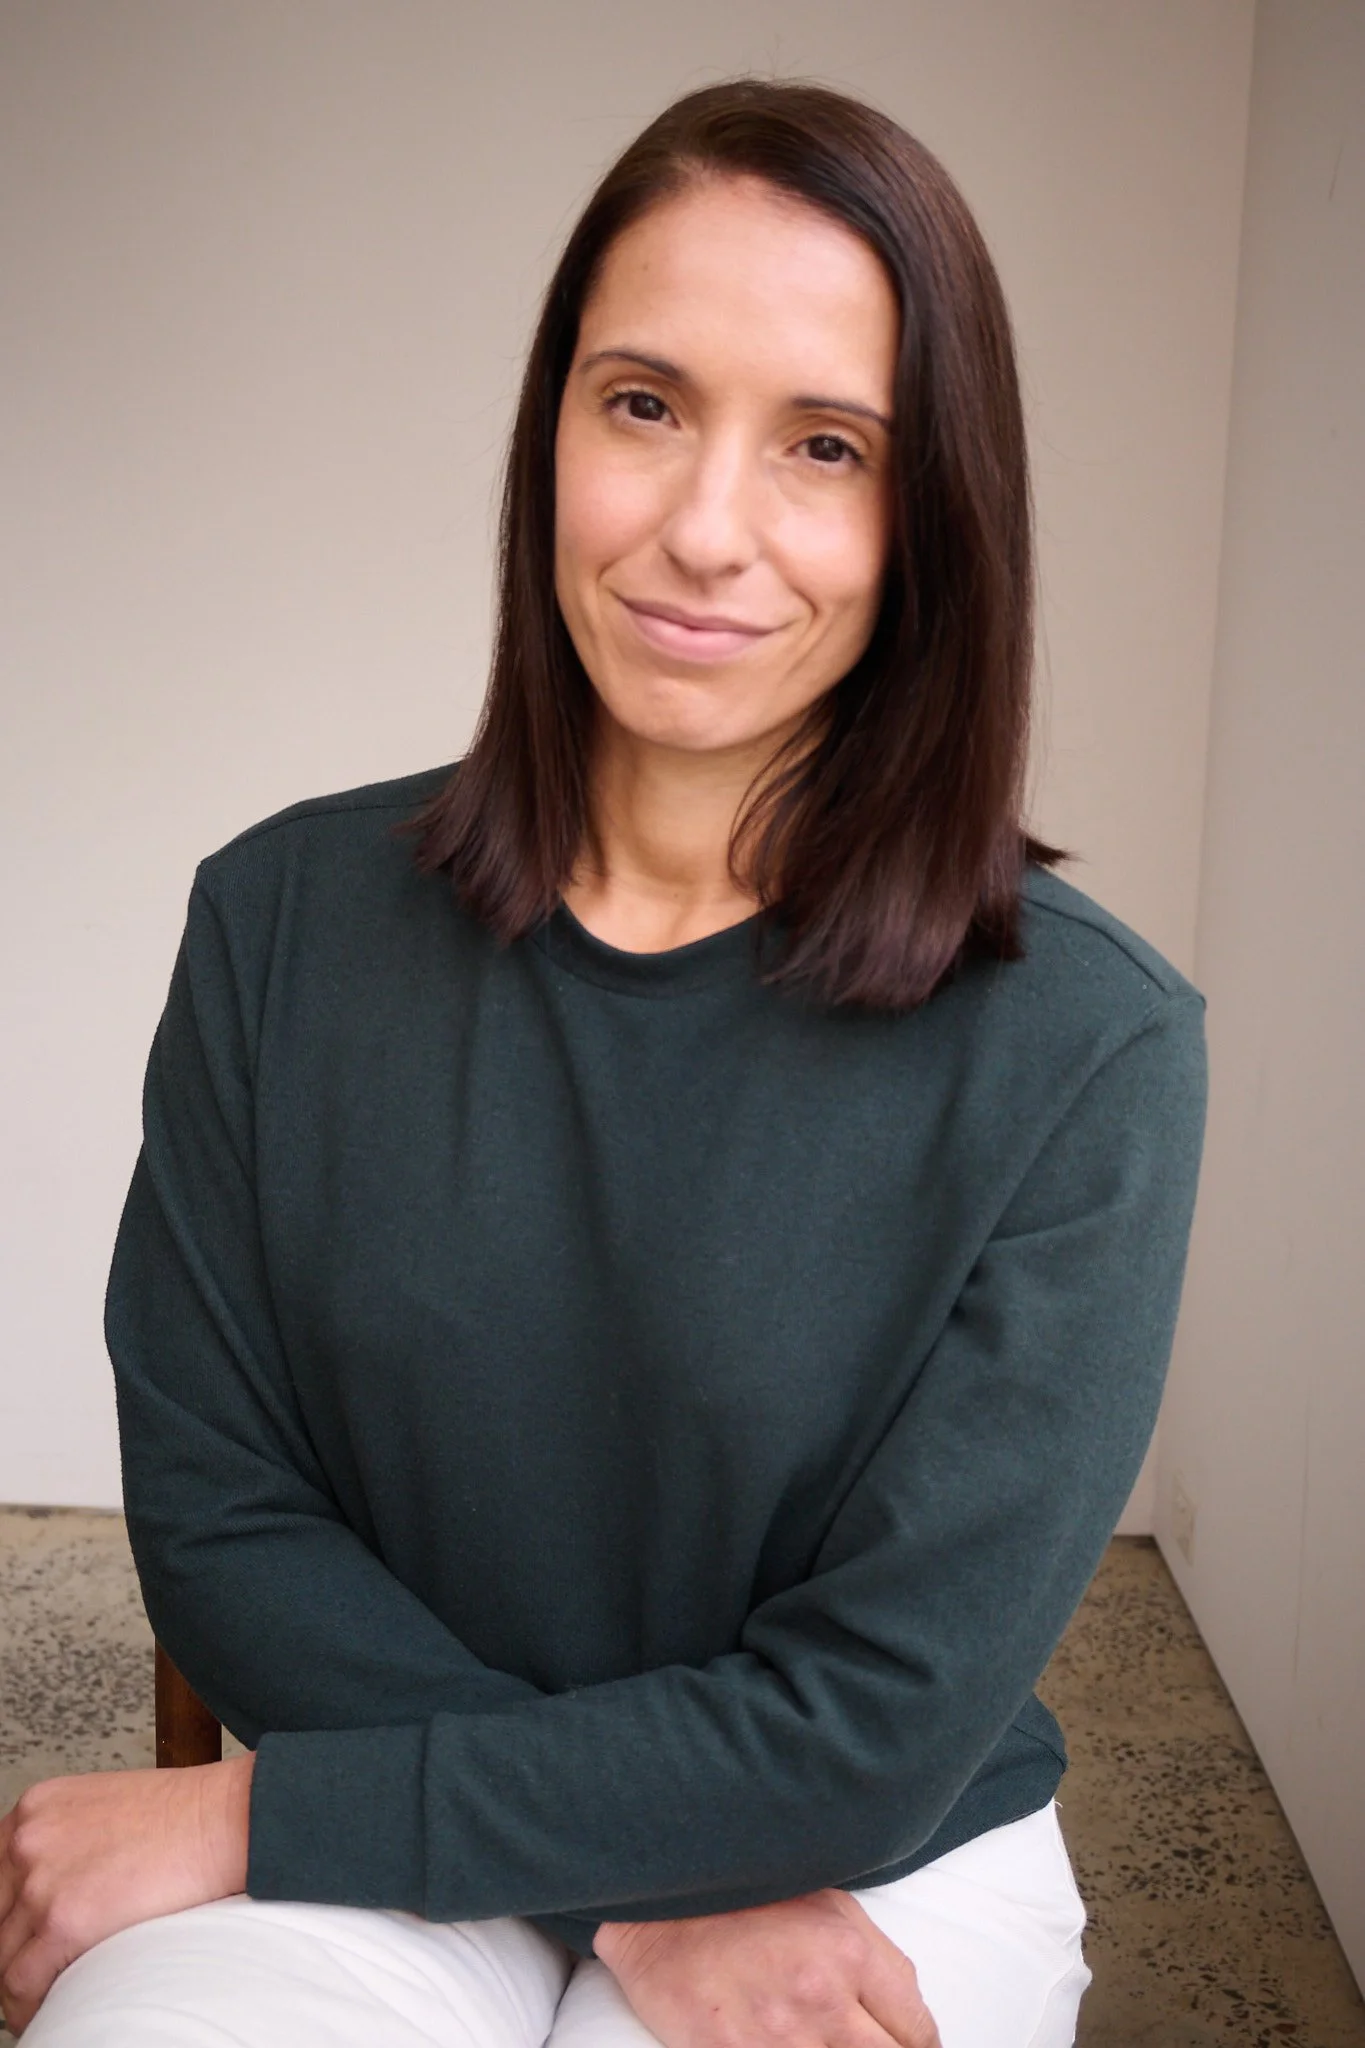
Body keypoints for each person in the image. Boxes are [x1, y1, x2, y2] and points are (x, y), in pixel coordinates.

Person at [0, 76, 1206, 2048]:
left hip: (859, 1857)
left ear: (930, 517)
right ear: (547, 428)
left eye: (824, 445)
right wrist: (612, 1887)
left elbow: (876, 1721)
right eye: (641, 403)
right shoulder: (279, 922)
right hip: (378, 1763)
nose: (704, 529)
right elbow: (219, 1509)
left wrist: (277, 1817)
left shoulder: (1092, 1046)